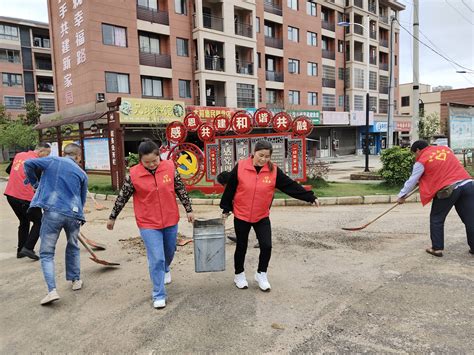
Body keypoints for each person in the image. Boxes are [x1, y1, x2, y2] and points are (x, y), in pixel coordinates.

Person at [220, 140, 319, 291]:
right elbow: (230, 188)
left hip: (261, 215)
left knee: (266, 246)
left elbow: (290, 186)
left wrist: (310, 197)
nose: (263, 159)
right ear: (254, 152)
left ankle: (261, 274)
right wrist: (226, 209)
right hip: (242, 214)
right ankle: (239, 274)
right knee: (241, 246)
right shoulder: (241, 166)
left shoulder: (273, 171)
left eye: (267, 157)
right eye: (261, 155)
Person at [106, 139, 194, 309]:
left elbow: (180, 189)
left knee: (169, 252)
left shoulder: (170, 167)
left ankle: (166, 269)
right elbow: (122, 197)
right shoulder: (133, 174)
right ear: (140, 160)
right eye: (147, 162)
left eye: (155, 161)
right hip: (148, 222)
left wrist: (189, 210)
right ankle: (158, 294)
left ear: (159, 157)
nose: (152, 165)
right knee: (156, 258)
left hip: (170, 219)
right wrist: (112, 217)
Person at [24, 143, 88, 305]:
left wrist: (35, 184)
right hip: (73, 215)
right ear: (78, 157)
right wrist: (78, 217)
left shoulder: (53, 160)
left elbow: (28, 164)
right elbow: (82, 200)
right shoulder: (82, 173)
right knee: (73, 246)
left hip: (52, 212)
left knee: (47, 253)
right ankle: (76, 280)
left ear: (63, 153)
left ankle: (52, 290)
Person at [397, 140, 473, 257]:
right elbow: (442, 168)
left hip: (448, 189)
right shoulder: (446, 149)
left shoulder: (421, 160)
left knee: (437, 218)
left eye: (414, 154)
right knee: (471, 219)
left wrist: (401, 195)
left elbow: (412, 180)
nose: (415, 157)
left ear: (418, 150)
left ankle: (436, 248)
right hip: (467, 184)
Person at [4, 143, 51, 260]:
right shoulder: (37, 163)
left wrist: (21, 179)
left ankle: (20, 251)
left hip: (10, 195)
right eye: (47, 154)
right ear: (41, 152)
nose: (47, 156)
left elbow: (9, 170)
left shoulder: (19, 155)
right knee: (40, 221)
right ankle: (28, 248)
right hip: (24, 198)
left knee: (24, 221)